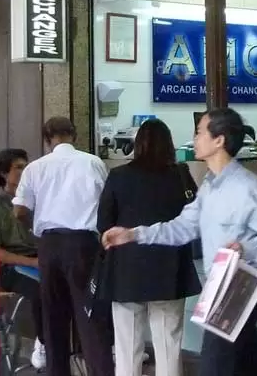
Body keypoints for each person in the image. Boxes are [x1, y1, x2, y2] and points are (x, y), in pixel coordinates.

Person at [101, 108, 257, 376]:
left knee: (214, 366)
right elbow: (182, 228)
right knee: (255, 362)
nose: (195, 137)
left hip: (237, 288)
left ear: (219, 140)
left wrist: (246, 248)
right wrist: (134, 234)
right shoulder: (209, 185)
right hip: (217, 286)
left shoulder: (247, 187)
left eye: (200, 131)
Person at [97, 119, 202, 376]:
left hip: (127, 271)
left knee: (127, 345)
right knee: (169, 343)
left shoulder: (119, 176)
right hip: (170, 269)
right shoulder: (180, 174)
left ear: (137, 144)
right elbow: (195, 219)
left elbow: (103, 223)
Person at [12, 117, 114, 376]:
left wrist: (36, 228)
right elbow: (107, 203)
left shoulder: (35, 168)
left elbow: (19, 210)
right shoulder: (93, 162)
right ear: (75, 135)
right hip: (83, 245)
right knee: (90, 317)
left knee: (53, 317)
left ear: (47, 140)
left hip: (49, 244)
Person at [0, 149, 45, 370]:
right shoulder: (0, 205)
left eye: (26, 166)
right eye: (18, 167)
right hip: (13, 266)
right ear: (4, 173)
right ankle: (43, 342)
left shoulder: (37, 200)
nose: (25, 171)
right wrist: (32, 262)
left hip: (44, 258)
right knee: (43, 289)